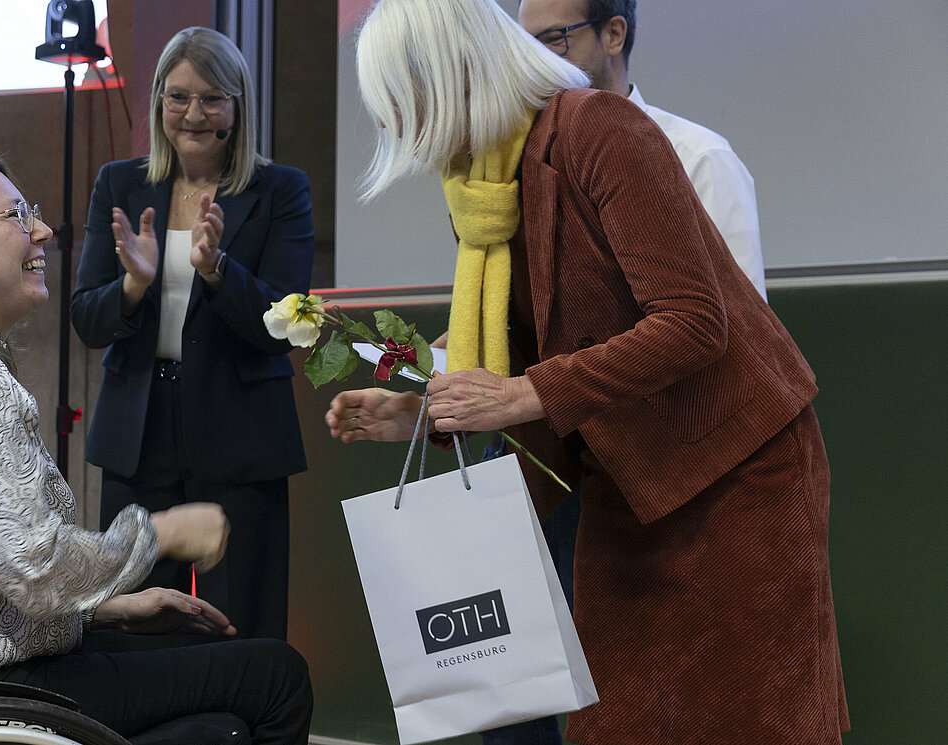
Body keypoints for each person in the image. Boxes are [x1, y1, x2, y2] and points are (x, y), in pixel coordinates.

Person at [327, 1, 847, 743]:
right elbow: (525, 343)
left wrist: (524, 391)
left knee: (746, 720)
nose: (401, 131)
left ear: (445, 76)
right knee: (616, 724)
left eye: (400, 104)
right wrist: (428, 407)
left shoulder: (598, 128)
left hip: (735, 482)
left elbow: (694, 321)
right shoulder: (484, 187)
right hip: (621, 491)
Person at [0, 150, 312, 744]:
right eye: (15, 215)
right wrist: (161, 533)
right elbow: (32, 565)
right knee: (276, 674)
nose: (41, 230)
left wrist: (103, 608)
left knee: (204, 675)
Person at [71, 26, 315, 642]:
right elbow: (87, 318)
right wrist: (132, 285)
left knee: (246, 626)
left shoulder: (281, 190)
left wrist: (217, 270)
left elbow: (287, 324)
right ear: (158, 104)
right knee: (137, 625)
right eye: (178, 97)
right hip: (139, 433)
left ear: (237, 106)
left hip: (242, 433)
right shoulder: (119, 184)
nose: (193, 115)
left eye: (212, 99)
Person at [517, 0, 767, 300]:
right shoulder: (530, 164)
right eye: (525, 46)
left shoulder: (700, 157)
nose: (534, 62)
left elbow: (743, 319)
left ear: (613, 35)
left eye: (555, 39)